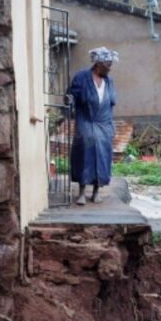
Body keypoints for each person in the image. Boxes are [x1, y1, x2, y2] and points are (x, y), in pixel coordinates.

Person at [68, 47, 119, 205]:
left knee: (103, 156)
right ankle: (82, 192)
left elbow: (110, 105)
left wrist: (111, 127)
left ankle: (97, 190)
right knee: (85, 152)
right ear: (98, 64)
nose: (110, 68)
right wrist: (69, 101)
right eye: (108, 65)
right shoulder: (82, 77)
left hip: (104, 124)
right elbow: (71, 96)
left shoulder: (109, 81)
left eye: (111, 64)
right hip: (86, 121)